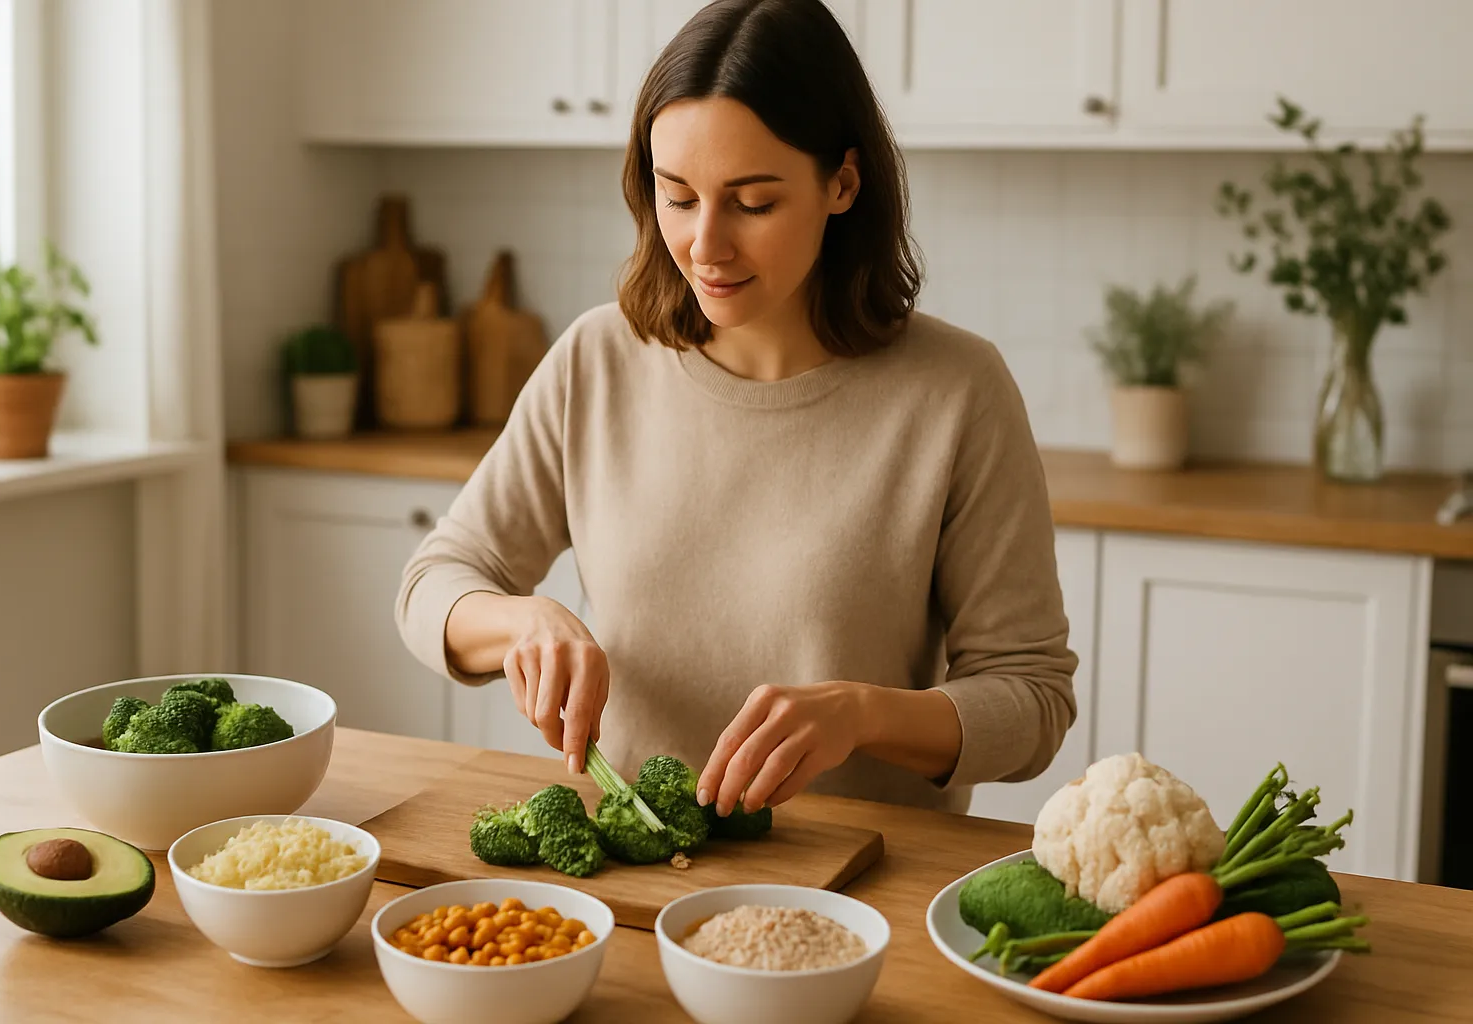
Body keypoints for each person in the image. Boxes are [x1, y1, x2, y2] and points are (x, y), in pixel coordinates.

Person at [395, 0, 1077, 820]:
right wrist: (525, 624)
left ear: (842, 185)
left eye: (752, 203)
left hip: (863, 889)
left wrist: (862, 715)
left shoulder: (957, 390)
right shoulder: (595, 360)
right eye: (677, 197)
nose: (705, 247)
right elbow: (434, 585)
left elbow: (1033, 703)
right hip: (637, 869)